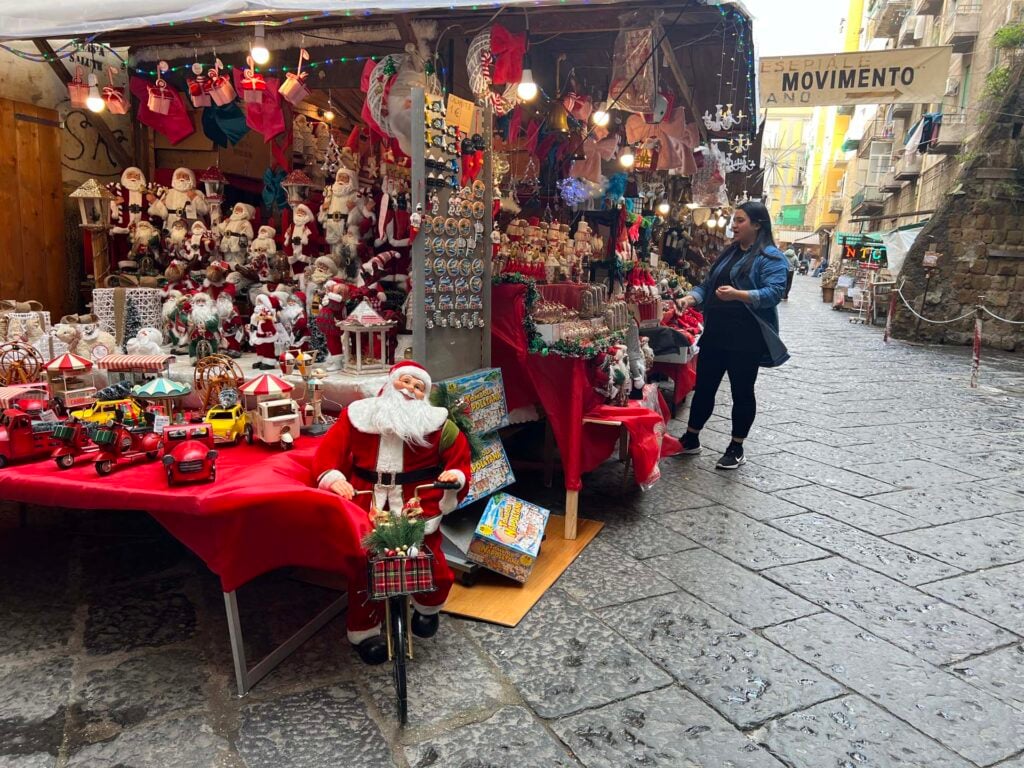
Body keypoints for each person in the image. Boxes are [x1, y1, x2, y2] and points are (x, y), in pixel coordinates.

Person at [312, 361, 472, 664]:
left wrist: (454, 477)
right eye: (406, 382)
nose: (410, 390)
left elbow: (459, 458)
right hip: (365, 499)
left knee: (430, 561)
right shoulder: (359, 415)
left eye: (418, 386)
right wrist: (334, 478)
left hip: (416, 501)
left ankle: (428, 606)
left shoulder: (439, 424)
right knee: (363, 567)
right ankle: (365, 630)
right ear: (391, 382)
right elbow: (329, 452)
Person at [676, 201, 789, 469]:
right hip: (716, 332)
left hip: (746, 336)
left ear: (757, 224)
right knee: (703, 387)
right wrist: (691, 298)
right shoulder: (728, 253)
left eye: (740, 221)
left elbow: (774, 293)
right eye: (734, 221)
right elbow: (707, 286)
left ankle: (736, 447)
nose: (733, 226)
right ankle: (691, 439)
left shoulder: (771, 257)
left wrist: (739, 295)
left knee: (742, 391)